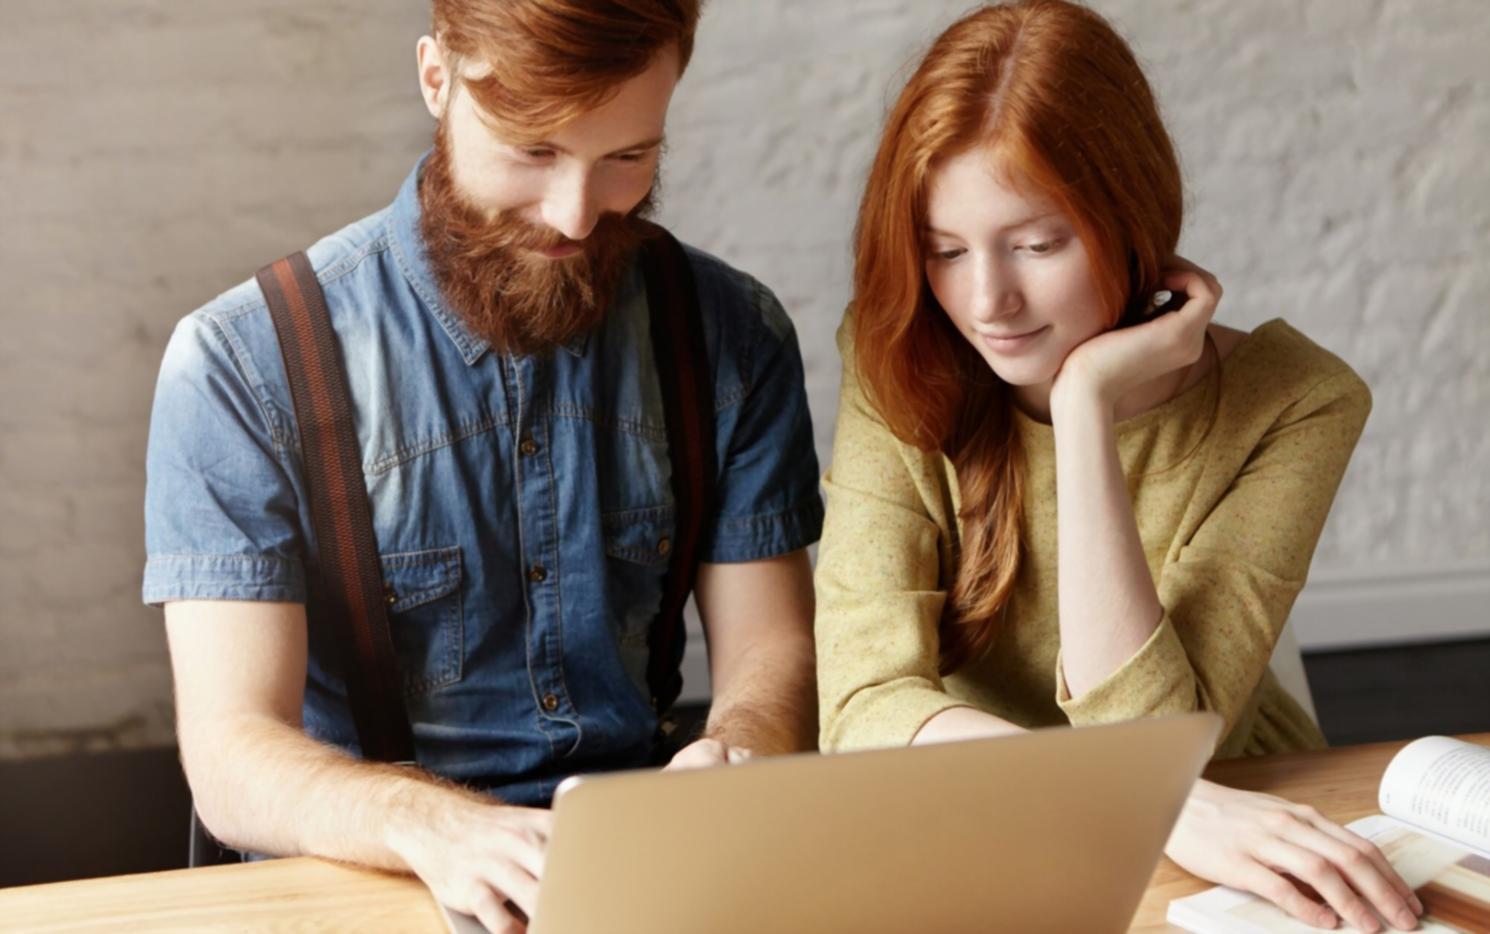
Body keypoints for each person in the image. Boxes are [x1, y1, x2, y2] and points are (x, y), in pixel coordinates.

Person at [143, 2, 822, 930]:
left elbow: (771, 652)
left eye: (628, 157)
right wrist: (434, 825)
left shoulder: (731, 335)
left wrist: (740, 749)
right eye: (535, 151)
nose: (577, 214)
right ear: (436, 79)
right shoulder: (242, 362)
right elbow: (230, 751)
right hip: (365, 884)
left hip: (640, 881)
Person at [814, 2, 1423, 931]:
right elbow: (860, 706)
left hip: (1224, 830)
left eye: (1036, 244)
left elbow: (1162, 748)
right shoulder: (898, 354)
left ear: (1129, 215)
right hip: (1015, 822)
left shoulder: (1301, 400)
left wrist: (1083, 406)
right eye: (944, 251)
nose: (988, 302)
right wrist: (1142, 795)